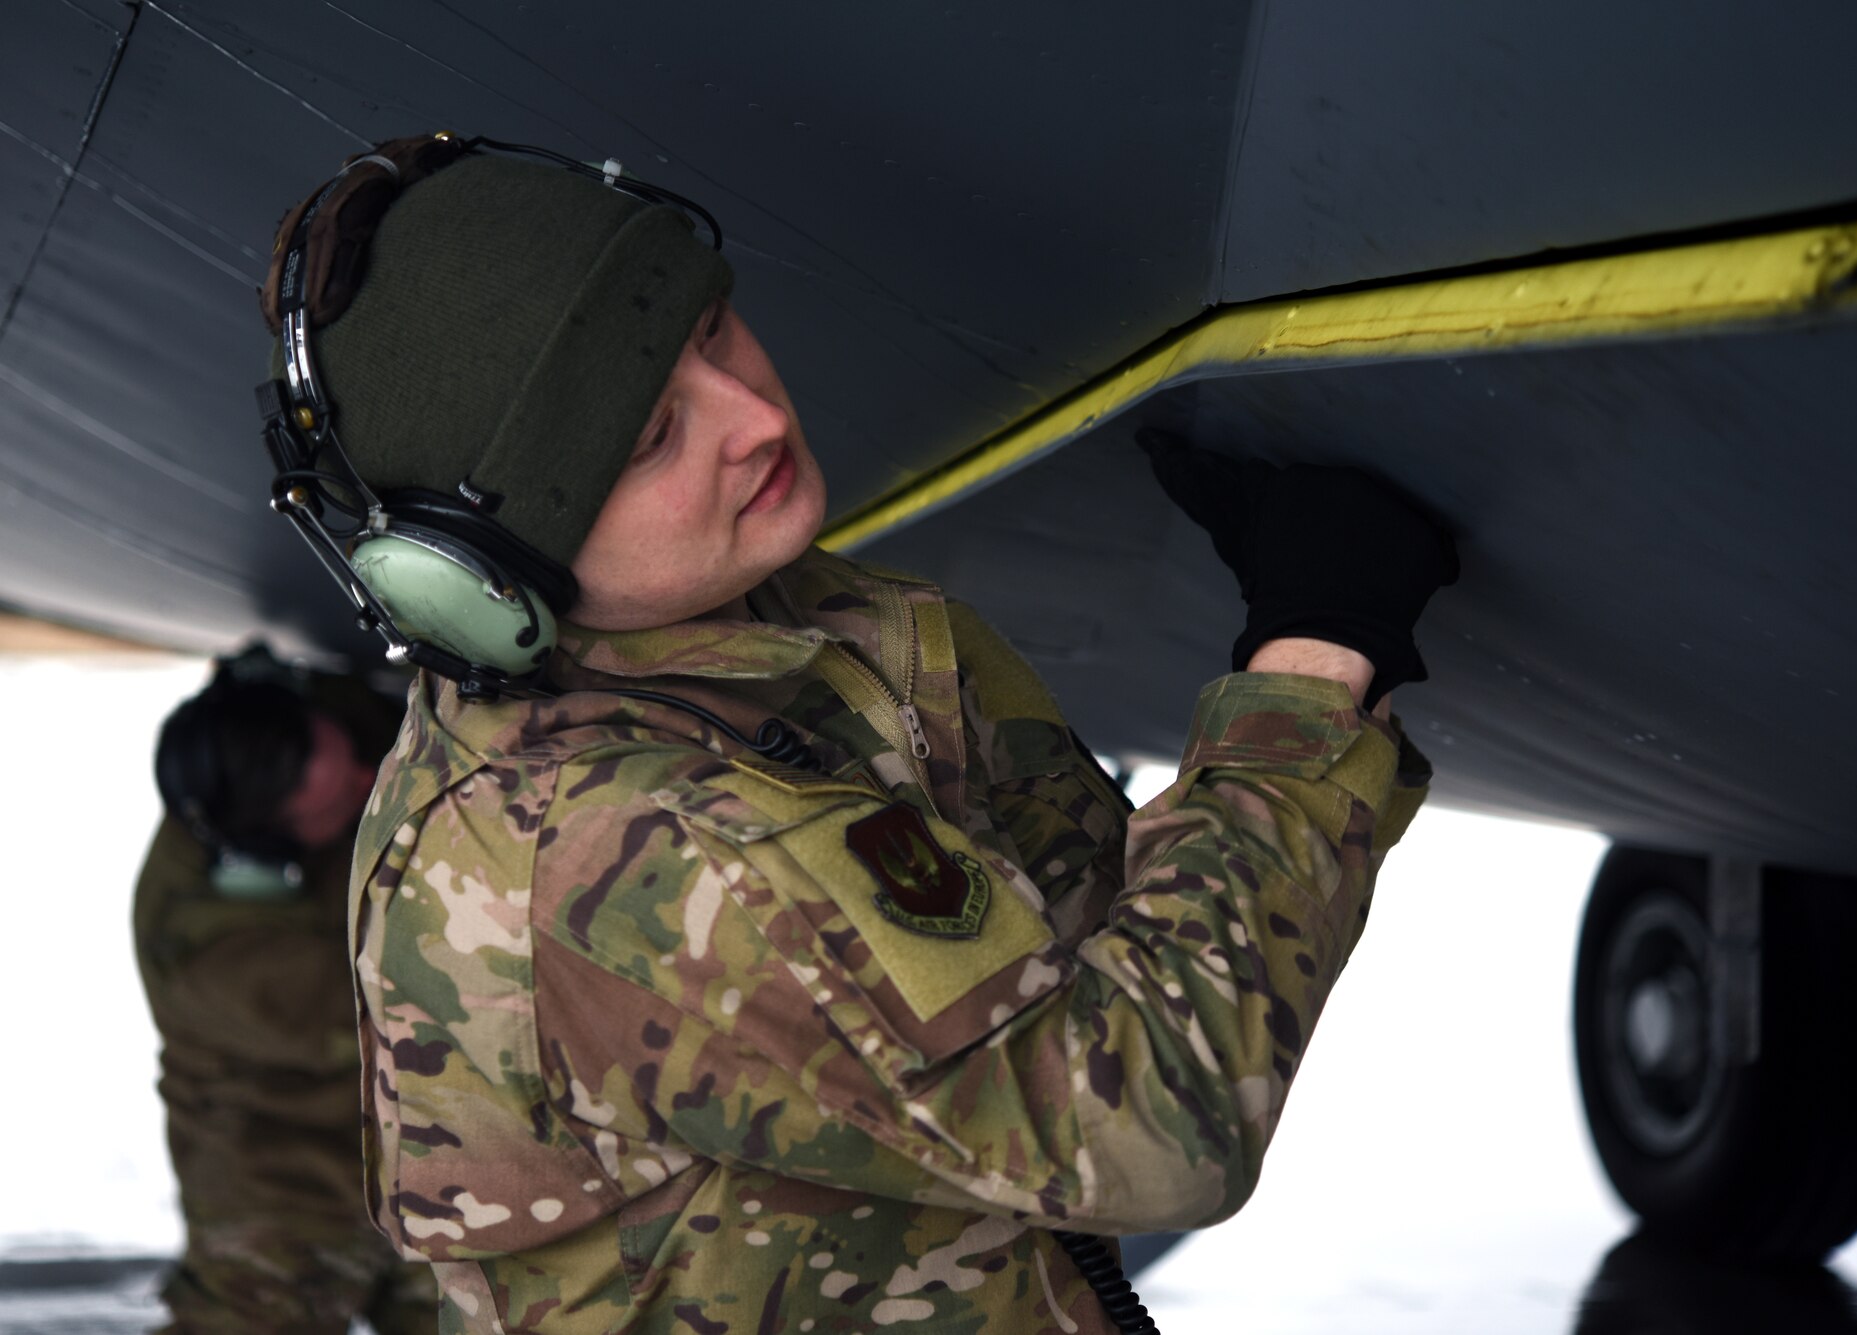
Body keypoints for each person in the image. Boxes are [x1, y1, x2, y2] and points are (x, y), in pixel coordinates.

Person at [260, 135, 1456, 1333]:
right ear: (476, 578)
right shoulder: (636, 852)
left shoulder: (794, 634)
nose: (752, 416)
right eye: (648, 437)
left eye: (712, 325)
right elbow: (1148, 1121)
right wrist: (1311, 663)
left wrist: (1304, 705)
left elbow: (1084, 932)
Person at [138, 647, 436, 1334]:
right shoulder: (222, 965)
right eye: (344, 797)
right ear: (272, 858)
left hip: (424, 1153)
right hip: (281, 1183)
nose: (370, 777)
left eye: (356, 760)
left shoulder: (267, 748)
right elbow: (422, 1008)